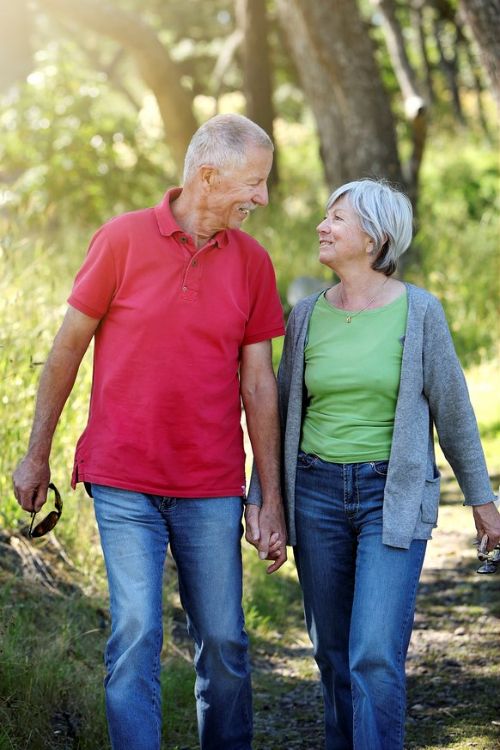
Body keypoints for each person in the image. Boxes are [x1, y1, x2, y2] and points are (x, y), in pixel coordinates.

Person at [13, 113, 287, 750]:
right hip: (122, 476)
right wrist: (35, 455)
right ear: (208, 175)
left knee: (222, 638)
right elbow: (66, 351)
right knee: (136, 626)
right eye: (255, 183)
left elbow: (259, 385)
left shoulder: (252, 263)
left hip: (210, 482)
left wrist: (268, 499)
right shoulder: (121, 239)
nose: (262, 199)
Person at [248, 178, 500, 750]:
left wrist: (484, 507)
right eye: (325, 215)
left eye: (337, 218)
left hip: (392, 493)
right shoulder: (306, 315)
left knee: (374, 655)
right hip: (313, 493)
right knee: (334, 655)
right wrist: (265, 503)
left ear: (376, 237)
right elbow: (279, 412)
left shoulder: (420, 312)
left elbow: (456, 414)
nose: (322, 226)